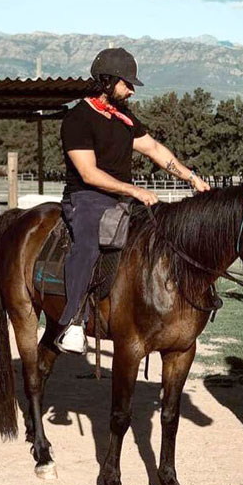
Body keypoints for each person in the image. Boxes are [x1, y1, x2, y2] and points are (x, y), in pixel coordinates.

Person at [56, 47, 210, 354]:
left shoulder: (124, 117)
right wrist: (134, 190)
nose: (130, 91)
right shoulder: (78, 119)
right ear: (107, 81)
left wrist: (191, 178)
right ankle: (72, 322)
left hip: (119, 197)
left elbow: (154, 149)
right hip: (85, 199)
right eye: (126, 84)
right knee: (87, 245)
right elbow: (88, 173)